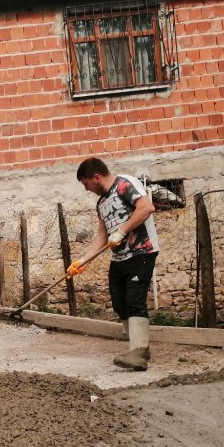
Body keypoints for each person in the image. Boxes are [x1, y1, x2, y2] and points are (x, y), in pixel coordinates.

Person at [68, 157, 159, 371]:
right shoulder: (101, 203)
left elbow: (146, 208)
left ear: (96, 177)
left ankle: (138, 353)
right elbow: (102, 235)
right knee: (119, 302)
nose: (87, 189)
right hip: (119, 258)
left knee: (135, 300)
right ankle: (140, 348)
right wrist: (82, 261)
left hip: (141, 252)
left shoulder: (125, 184)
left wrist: (122, 230)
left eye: (86, 184)